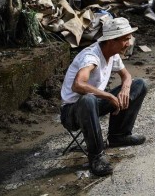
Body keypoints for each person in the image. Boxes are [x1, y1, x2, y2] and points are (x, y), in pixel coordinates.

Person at [60, 17, 148, 176]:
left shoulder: (112, 53)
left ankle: (119, 135)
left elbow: (126, 75)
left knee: (139, 84)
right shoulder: (91, 57)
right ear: (111, 40)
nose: (128, 43)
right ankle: (96, 156)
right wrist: (109, 96)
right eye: (125, 40)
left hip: (94, 104)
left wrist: (125, 89)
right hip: (72, 113)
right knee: (88, 99)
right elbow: (78, 85)